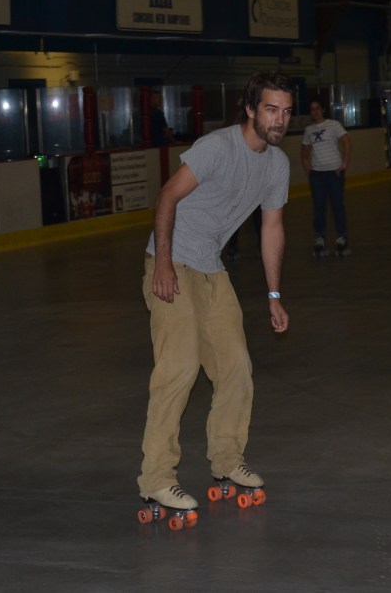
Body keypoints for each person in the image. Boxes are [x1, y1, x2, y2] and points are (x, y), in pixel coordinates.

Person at [137, 71, 294, 516]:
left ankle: (226, 462)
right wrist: (163, 264)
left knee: (236, 368)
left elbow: (272, 228)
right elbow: (167, 197)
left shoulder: (277, 165)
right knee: (179, 368)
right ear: (250, 109)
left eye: (285, 111)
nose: (279, 119)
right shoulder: (218, 147)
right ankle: (157, 480)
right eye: (270, 109)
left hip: (211, 269)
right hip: (172, 263)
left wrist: (274, 294)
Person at [301, 98, 351, 257]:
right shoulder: (309, 130)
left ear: (323, 109)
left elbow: (347, 143)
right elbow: (304, 151)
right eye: (311, 109)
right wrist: (307, 165)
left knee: (337, 206)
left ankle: (342, 236)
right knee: (318, 208)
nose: (315, 112)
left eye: (317, 108)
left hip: (334, 173)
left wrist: (344, 162)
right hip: (317, 175)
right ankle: (320, 238)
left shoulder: (334, 125)